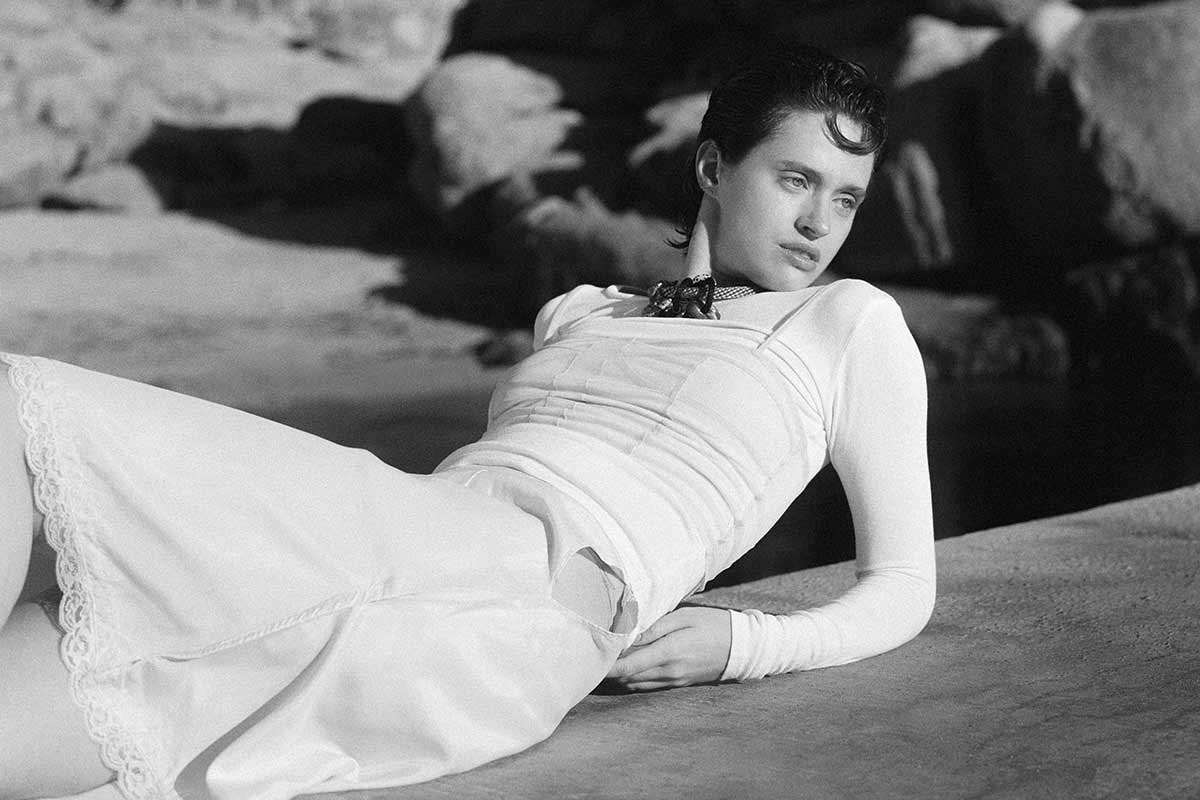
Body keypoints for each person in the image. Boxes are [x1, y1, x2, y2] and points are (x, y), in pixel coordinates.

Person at [0, 43, 934, 800]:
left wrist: (745, 645)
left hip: (500, 615)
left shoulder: (845, 324)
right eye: (796, 179)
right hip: (399, 546)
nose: (820, 223)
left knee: (19, 402)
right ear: (714, 167)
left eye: (845, 197)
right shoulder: (579, 312)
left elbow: (902, 585)